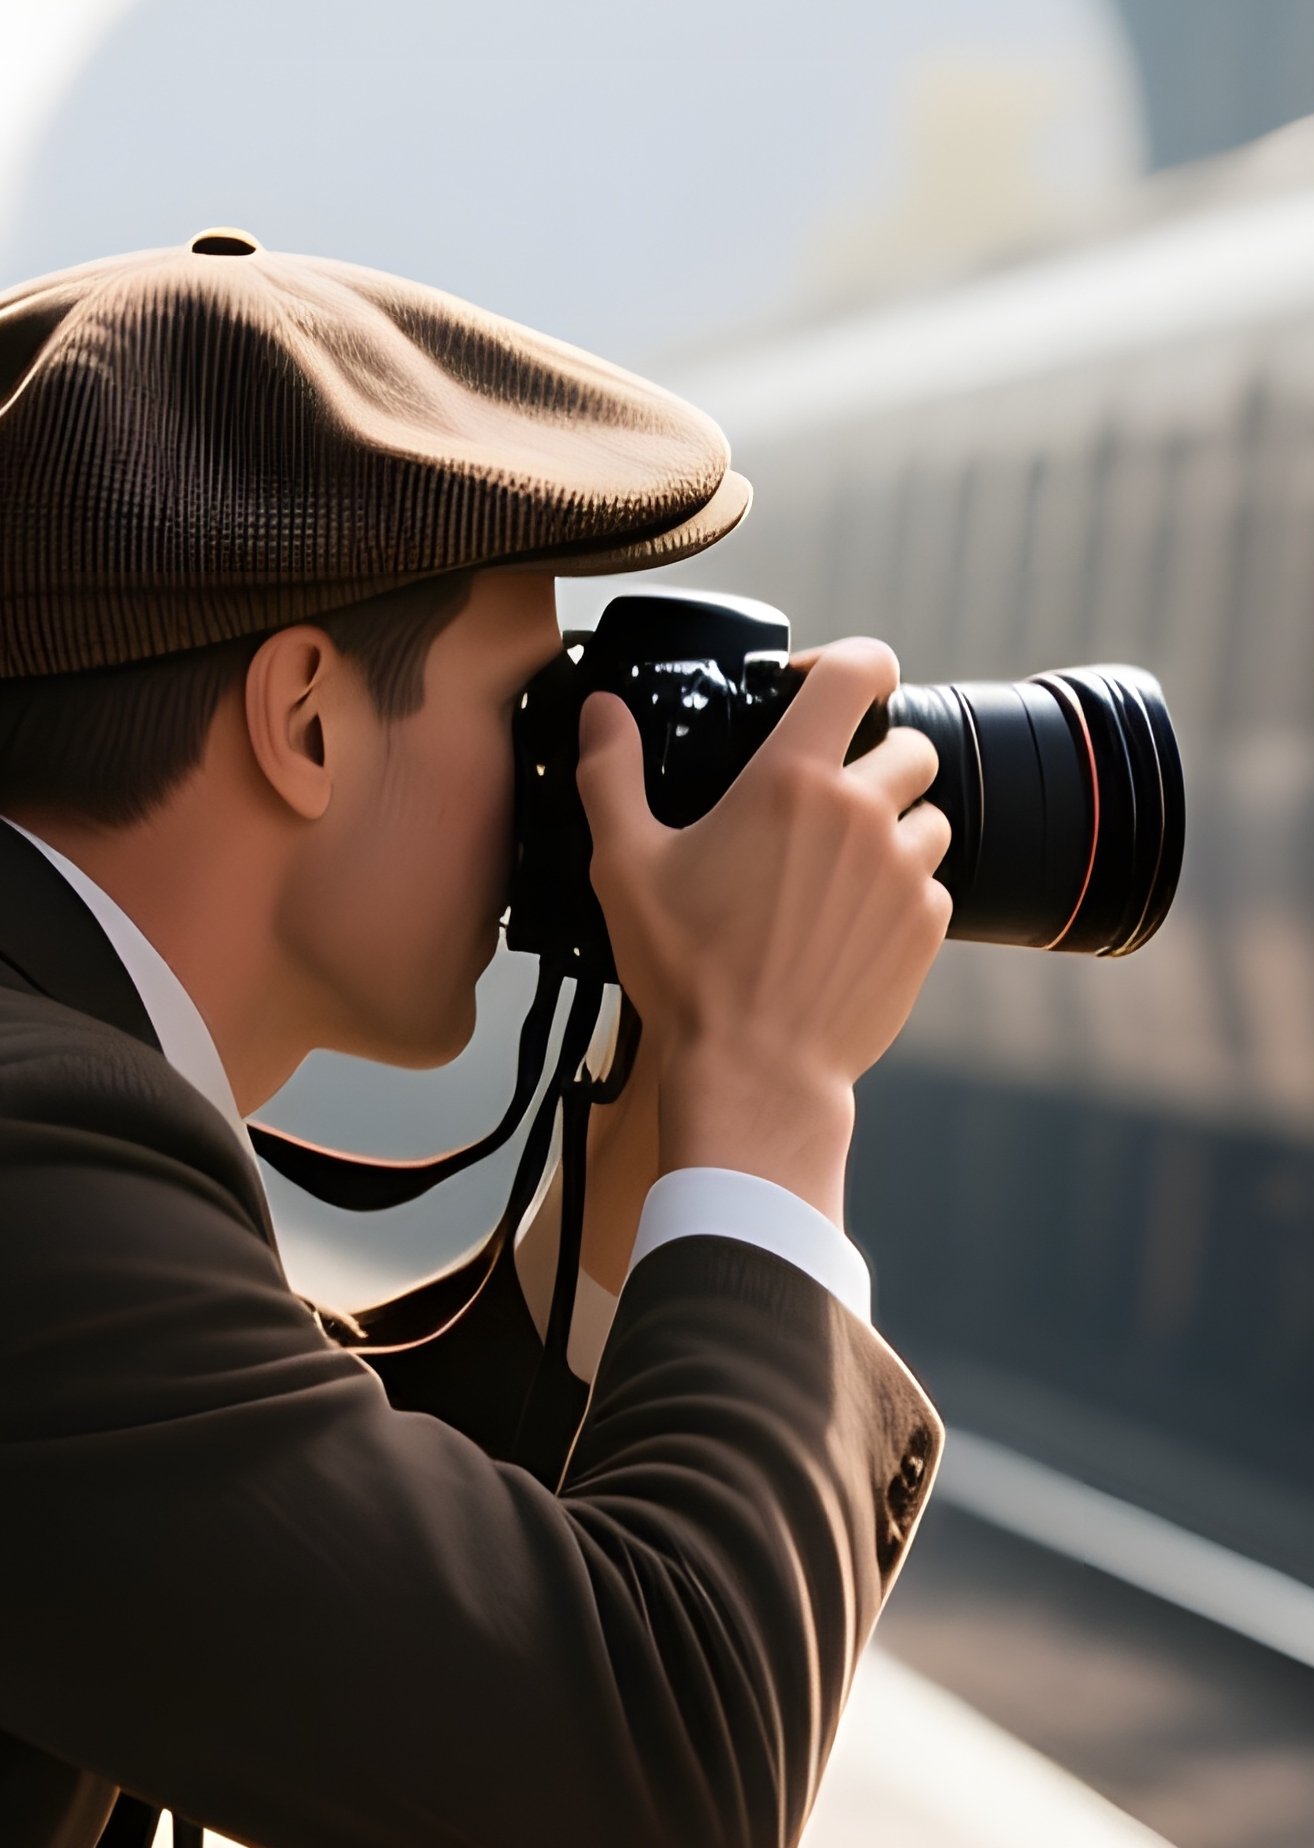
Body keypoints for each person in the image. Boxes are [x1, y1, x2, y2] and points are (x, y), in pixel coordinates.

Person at [0, 231, 952, 1847]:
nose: (565, 796)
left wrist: (654, 1147)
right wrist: (770, 1089)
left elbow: (324, 1570)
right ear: (305, 719)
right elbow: (643, 1790)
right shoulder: (34, 1145)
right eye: (530, 711)